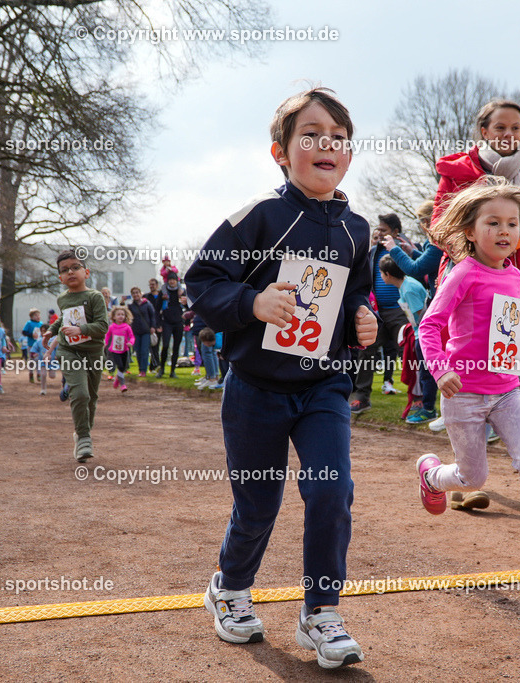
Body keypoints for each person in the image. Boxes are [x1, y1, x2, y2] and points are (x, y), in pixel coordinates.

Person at [184, 87, 375, 668]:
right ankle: (231, 589)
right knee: (259, 504)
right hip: (256, 388)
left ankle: (321, 613)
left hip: (324, 386)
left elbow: (357, 293)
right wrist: (252, 304)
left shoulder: (358, 229)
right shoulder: (259, 216)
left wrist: (364, 320)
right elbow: (203, 283)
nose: (328, 146)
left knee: (330, 492)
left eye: (339, 139)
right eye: (312, 135)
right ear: (280, 152)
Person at [414, 177, 520, 578]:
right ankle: (432, 476)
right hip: (463, 392)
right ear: (470, 230)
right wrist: (441, 369)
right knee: (473, 477)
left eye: (512, 223)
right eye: (493, 223)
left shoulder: (516, 277)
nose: (504, 231)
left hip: (506, 391)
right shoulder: (462, 274)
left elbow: (503, 331)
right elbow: (429, 326)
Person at [432, 98, 520, 433]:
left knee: (505, 353)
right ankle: (461, 410)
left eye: (516, 128)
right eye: (500, 127)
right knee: (465, 343)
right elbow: (439, 225)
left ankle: (495, 422)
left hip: (519, 280)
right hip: (469, 276)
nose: (509, 134)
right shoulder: (457, 173)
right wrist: (473, 255)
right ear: (484, 131)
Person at [42, 250, 109, 462]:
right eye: (64, 270)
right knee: (80, 394)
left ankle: (82, 433)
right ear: (60, 278)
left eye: (75, 267)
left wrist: (81, 330)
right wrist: (52, 330)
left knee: (91, 397)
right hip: (69, 351)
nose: (70, 272)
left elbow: (103, 326)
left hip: (94, 353)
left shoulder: (95, 297)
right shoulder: (62, 298)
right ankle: (83, 438)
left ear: (86, 272)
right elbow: (63, 318)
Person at [350, 212, 409, 412]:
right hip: (377, 311)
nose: (379, 232)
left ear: (395, 232)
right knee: (367, 350)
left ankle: (418, 400)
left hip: (399, 310)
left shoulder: (402, 251)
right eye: (379, 229)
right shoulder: (373, 252)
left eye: (384, 230)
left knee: (408, 352)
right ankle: (361, 397)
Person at [377, 254, 431, 419]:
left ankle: (425, 405)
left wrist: (414, 331)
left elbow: (421, 316)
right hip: (417, 333)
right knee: (419, 370)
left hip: (423, 335)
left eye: (381, 272)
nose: (380, 276)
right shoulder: (404, 286)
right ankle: (421, 402)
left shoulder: (409, 288)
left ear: (388, 274)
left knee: (423, 371)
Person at [157, 272, 185, 378]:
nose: (172, 281)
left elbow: (187, 306)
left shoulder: (181, 291)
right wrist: (158, 323)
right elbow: (157, 308)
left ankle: (172, 371)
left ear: (177, 280)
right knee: (165, 345)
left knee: (176, 347)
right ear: (167, 281)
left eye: (173, 279)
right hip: (167, 322)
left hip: (178, 322)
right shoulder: (163, 292)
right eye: (170, 279)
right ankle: (162, 369)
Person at [104, 306, 135, 392]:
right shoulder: (112, 327)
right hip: (115, 350)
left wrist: (130, 343)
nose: (120, 316)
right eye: (118, 315)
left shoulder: (127, 327)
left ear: (125, 316)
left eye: (122, 314)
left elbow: (132, 337)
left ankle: (117, 378)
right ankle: (123, 385)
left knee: (123, 368)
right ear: (114, 317)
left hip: (125, 350)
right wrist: (105, 343)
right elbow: (107, 336)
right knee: (120, 366)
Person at [127, 287, 155, 378]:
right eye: (133, 293)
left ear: (140, 293)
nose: (135, 295)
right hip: (135, 331)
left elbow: (152, 316)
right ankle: (140, 369)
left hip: (146, 331)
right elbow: (128, 318)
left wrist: (153, 326)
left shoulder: (147, 304)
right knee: (138, 351)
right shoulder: (131, 306)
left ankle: (144, 370)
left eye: (137, 293)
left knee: (144, 351)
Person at [145, 278, 164, 371]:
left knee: (157, 344)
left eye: (153, 284)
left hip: (160, 324)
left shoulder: (162, 296)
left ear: (157, 285)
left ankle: (154, 365)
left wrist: (160, 325)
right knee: (153, 346)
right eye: (150, 284)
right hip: (150, 324)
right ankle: (156, 364)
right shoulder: (147, 297)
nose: (151, 286)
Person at [21, 308, 42, 384]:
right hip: (31, 345)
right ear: (31, 317)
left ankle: (39, 374)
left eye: (39, 315)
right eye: (36, 315)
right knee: (32, 360)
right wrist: (31, 334)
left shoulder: (41, 324)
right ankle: (31, 373)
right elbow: (24, 332)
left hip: (39, 345)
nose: (38, 317)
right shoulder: (29, 323)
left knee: (39, 359)